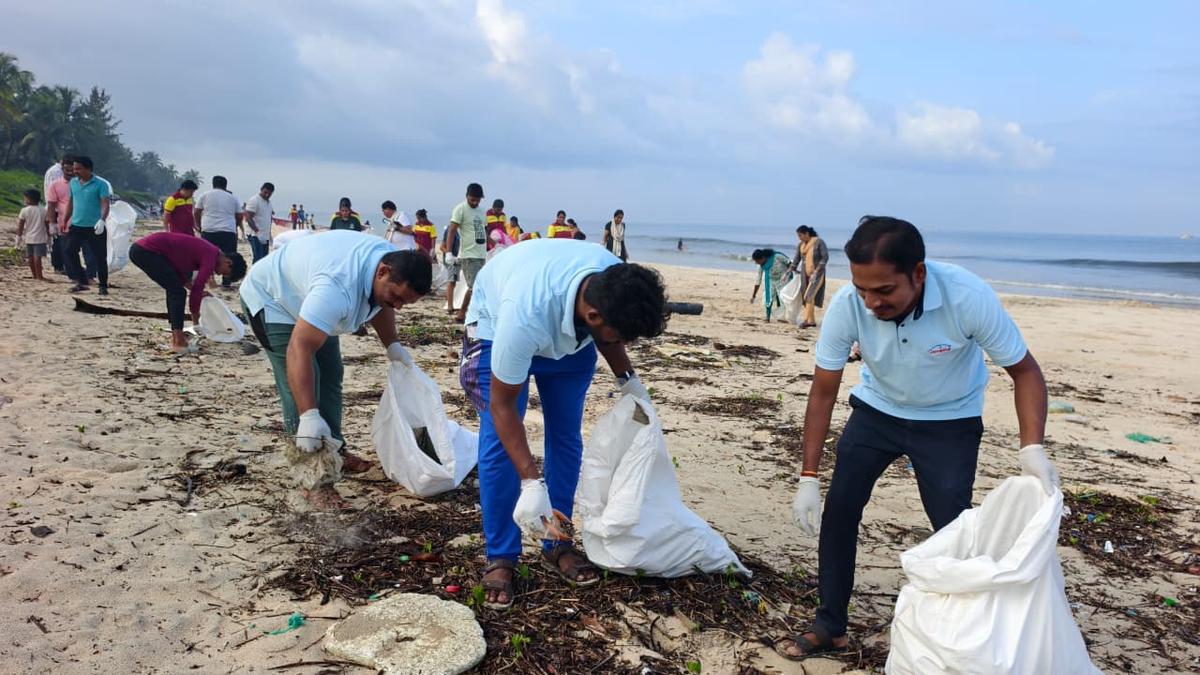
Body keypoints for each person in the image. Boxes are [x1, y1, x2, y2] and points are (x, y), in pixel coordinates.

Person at [778, 216, 1059, 659]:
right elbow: (823, 390)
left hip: (949, 421)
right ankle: (830, 624)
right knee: (840, 511)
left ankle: (965, 634)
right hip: (877, 411)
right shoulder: (849, 304)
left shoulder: (967, 297)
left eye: (884, 290)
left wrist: (1032, 448)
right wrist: (808, 475)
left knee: (954, 526)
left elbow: (1025, 372)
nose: (871, 302)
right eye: (862, 289)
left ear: (919, 274)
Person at [458, 238, 668, 608]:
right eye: (621, 337)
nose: (621, 342)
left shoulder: (611, 282)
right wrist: (530, 481)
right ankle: (502, 555)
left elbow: (609, 334)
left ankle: (557, 542)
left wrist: (629, 381)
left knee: (566, 436)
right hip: (497, 325)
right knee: (498, 443)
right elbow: (503, 406)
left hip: (573, 342)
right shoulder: (523, 314)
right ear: (593, 317)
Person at [239, 231, 433, 508]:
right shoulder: (336, 287)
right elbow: (299, 351)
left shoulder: (391, 263)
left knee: (331, 374)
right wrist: (308, 415)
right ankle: (314, 478)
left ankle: (336, 450)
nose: (399, 307)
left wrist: (393, 346)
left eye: (406, 303)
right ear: (382, 271)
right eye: (397, 297)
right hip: (274, 300)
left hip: (309, 295)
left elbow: (384, 303)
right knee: (303, 388)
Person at [130, 232, 246, 353]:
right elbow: (197, 288)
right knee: (177, 293)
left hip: (145, 250)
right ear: (228, 263)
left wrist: (194, 290)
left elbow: (179, 270)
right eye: (225, 272)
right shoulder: (211, 256)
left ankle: (176, 336)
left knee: (175, 290)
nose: (219, 274)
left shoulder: (210, 252)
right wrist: (196, 320)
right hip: (146, 251)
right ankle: (178, 340)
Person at [63, 156, 111, 295]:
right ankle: (82, 280)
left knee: (99, 256)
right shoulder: (73, 183)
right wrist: (65, 220)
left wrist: (102, 220)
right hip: (77, 225)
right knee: (69, 251)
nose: (74, 171)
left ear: (88, 169)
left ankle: (103, 285)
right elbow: (71, 202)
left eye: (78, 169)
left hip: (95, 226)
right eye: (74, 168)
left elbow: (105, 203)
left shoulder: (101, 184)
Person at [441, 183, 487, 322]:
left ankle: (473, 313)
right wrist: (448, 252)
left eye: (477, 200)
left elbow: (484, 230)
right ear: (467, 196)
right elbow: (452, 230)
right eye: (472, 199)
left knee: (481, 285)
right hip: (468, 254)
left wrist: (490, 245)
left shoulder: (481, 211)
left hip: (481, 254)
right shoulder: (460, 209)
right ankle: (462, 312)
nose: (474, 202)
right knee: (474, 286)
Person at [194, 175, 243, 287]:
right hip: (228, 230)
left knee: (207, 256)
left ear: (213, 184)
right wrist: (235, 225)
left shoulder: (204, 195)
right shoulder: (232, 198)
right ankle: (226, 282)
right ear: (226, 185)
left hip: (209, 229)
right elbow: (240, 215)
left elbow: (196, 212)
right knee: (229, 256)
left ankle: (210, 280)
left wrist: (198, 225)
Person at [44, 153, 74, 275]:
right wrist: (52, 221)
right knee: (59, 239)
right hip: (56, 210)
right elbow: (53, 195)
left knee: (63, 240)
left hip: (60, 209)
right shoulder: (55, 172)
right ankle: (59, 266)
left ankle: (63, 265)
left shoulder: (55, 171)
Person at [749, 248, 792, 321]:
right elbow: (758, 280)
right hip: (771, 280)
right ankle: (767, 317)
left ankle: (782, 317)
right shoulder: (761, 265)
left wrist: (787, 274)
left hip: (783, 279)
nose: (756, 263)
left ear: (762, 258)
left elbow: (790, 264)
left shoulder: (777, 256)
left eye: (756, 261)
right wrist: (753, 295)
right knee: (768, 297)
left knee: (782, 298)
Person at [17, 189, 49, 281]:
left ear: (29, 199)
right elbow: (47, 224)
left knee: (30, 257)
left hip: (29, 237)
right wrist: (49, 235)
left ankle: (34, 275)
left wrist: (18, 238)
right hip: (40, 237)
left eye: (25, 198)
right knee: (37, 257)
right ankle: (40, 276)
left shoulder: (24, 210)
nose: (24, 200)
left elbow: (21, 226)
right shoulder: (43, 210)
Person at [244, 182, 275, 263]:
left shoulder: (269, 203)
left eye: (269, 194)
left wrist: (269, 233)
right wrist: (257, 231)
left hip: (265, 234)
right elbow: (248, 217)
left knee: (264, 259)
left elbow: (268, 218)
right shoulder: (254, 200)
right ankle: (254, 275)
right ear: (261, 189)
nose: (267, 195)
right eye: (265, 192)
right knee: (258, 258)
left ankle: (261, 275)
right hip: (255, 234)